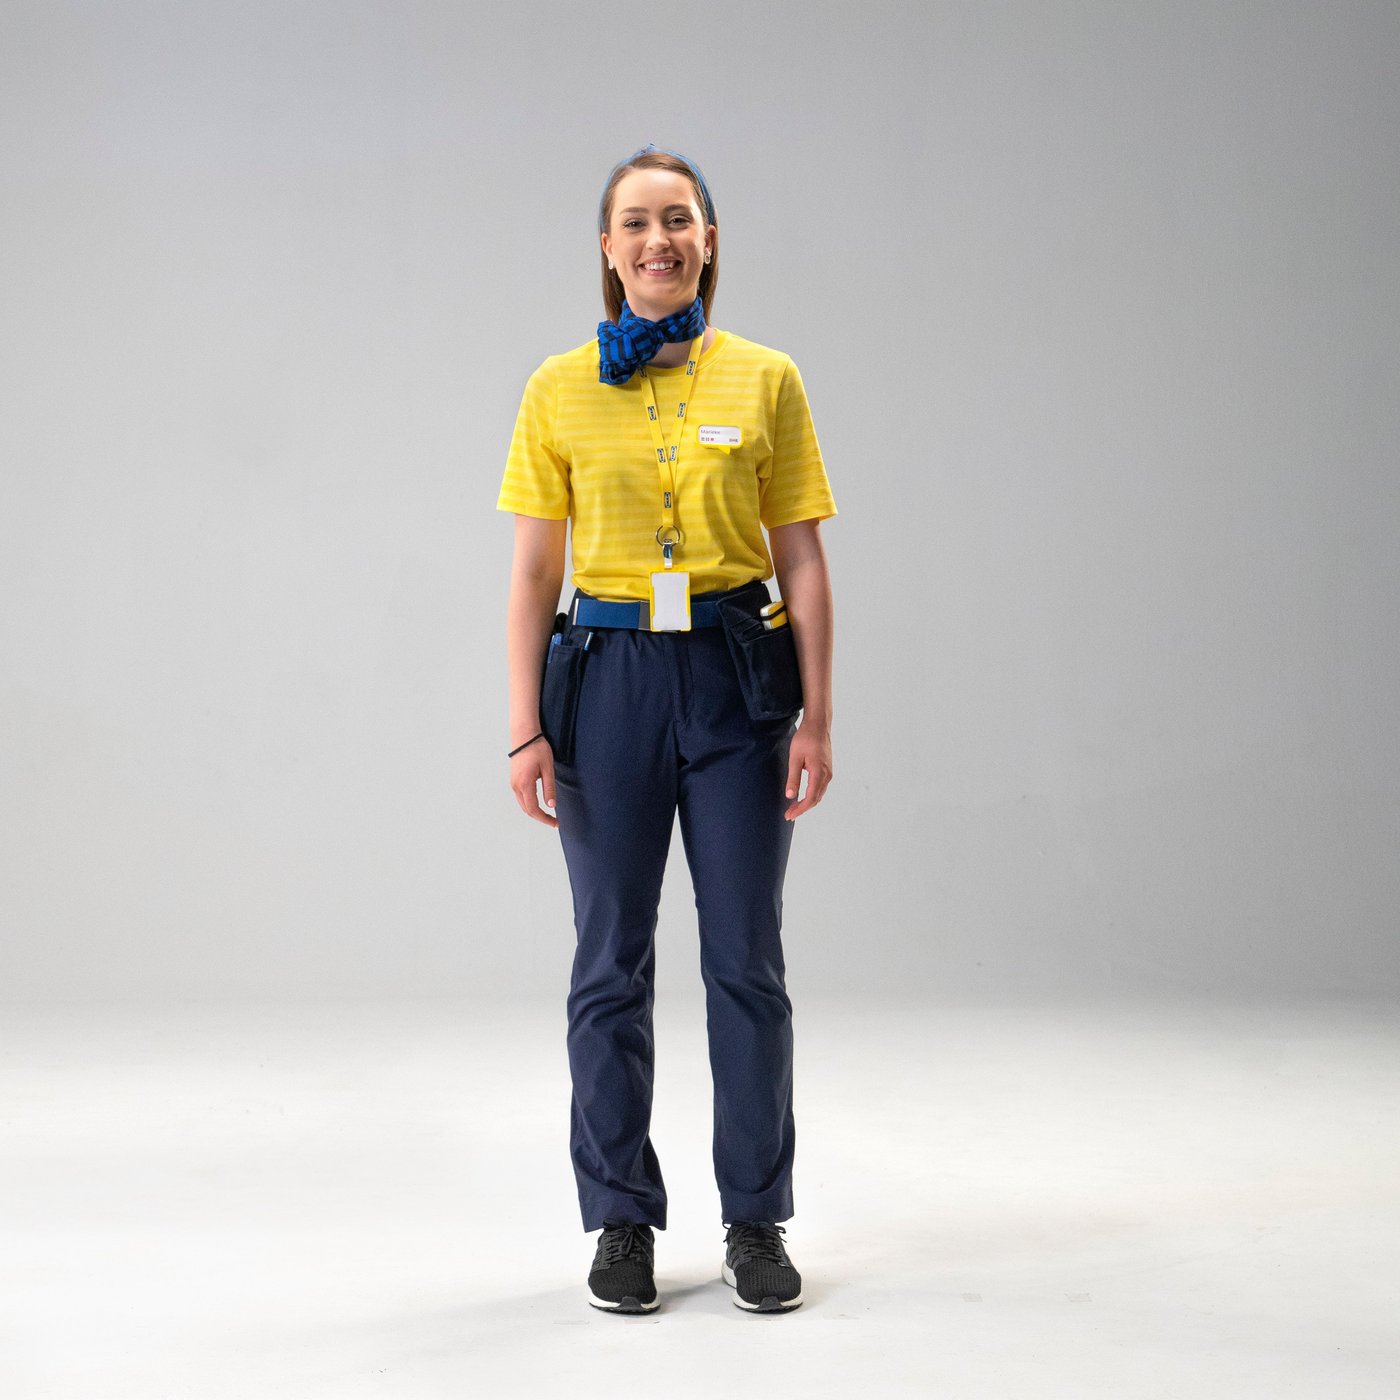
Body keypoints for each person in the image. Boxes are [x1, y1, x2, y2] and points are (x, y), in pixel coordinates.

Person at [497, 143, 837, 1315]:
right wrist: (523, 727)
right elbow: (533, 568)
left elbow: (799, 552)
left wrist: (818, 718)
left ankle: (754, 1216)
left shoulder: (767, 377)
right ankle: (620, 1221)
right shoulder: (555, 387)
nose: (658, 239)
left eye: (678, 219)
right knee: (608, 963)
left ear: (708, 240)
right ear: (606, 248)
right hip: (603, 679)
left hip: (739, 674)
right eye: (635, 222)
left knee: (746, 957)